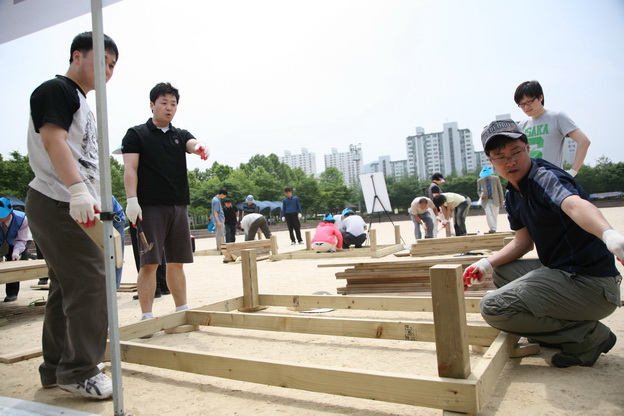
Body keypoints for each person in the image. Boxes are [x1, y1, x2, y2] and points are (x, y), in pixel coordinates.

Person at [463, 119, 623, 368]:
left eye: (516, 152)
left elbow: (573, 204)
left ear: (527, 148)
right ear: (490, 161)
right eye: (500, 156)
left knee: (493, 308)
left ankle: (588, 336)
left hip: (591, 284)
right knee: (503, 272)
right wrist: (485, 263)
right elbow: (523, 242)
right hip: (561, 272)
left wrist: (609, 234)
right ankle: (560, 328)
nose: (510, 161)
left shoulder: (544, 177)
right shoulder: (513, 192)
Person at [25, 31, 119, 399]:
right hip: (57, 198)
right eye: (102, 61)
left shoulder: (82, 102)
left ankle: (56, 366)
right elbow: (52, 138)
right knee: (92, 282)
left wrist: (91, 197)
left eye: (112, 66)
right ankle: (80, 368)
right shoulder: (57, 89)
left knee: (66, 286)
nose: (107, 71)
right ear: (78, 55)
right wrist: (77, 188)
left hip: (76, 204)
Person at [122, 82, 209, 324]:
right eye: (164, 103)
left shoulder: (179, 135)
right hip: (149, 207)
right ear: (152, 105)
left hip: (178, 206)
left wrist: (199, 146)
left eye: (173, 104)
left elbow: (192, 144)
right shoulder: (136, 134)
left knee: (177, 261)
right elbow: (130, 168)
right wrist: (132, 200)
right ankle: (147, 315)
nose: (169, 108)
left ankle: (182, 308)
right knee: (149, 263)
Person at [514, 80, 590, 177]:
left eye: (529, 102)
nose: (526, 107)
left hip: (552, 179)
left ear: (540, 97)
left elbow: (584, 141)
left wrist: (573, 171)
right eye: (522, 104)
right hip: (529, 180)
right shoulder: (523, 125)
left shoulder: (557, 117)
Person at [1, 197, 31, 302]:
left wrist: (16, 252)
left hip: (16, 241)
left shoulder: (22, 219)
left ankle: (12, 293)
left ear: (10, 213)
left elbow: (22, 239)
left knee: (13, 265)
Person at [476, 166, 505, 233]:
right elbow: (478, 190)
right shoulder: (480, 181)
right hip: (486, 200)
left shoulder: (496, 178)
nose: (486, 177)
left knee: (494, 215)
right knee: (488, 213)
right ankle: (492, 228)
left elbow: (500, 189)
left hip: (495, 199)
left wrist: (501, 200)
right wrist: (481, 195)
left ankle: (494, 228)